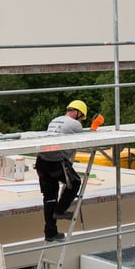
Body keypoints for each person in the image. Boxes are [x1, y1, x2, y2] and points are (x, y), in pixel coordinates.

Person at [34, 99, 88, 242]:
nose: (81, 120)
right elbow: (85, 140)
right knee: (75, 182)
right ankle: (60, 211)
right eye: (81, 117)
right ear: (78, 113)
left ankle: (50, 233)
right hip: (56, 162)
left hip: (41, 161)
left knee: (50, 198)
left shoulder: (55, 120)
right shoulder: (76, 124)